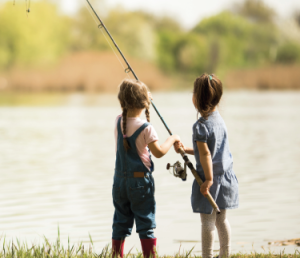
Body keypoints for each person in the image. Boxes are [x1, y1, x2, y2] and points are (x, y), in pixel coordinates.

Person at [112, 79, 180, 258]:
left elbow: (128, 112)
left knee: (120, 222)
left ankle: (116, 255)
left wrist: (143, 98)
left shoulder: (119, 122)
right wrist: (172, 139)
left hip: (119, 183)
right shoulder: (146, 128)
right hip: (140, 184)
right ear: (144, 103)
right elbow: (159, 153)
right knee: (145, 224)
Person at [175, 74, 239, 258]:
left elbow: (205, 154)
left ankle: (207, 256)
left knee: (207, 222)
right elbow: (210, 151)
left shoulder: (200, 126)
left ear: (197, 98)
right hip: (226, 178)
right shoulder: (219, 120)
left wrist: (208, 180)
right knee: (222, 219)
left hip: (210, 182)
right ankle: (225, 255)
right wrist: (186, 149)